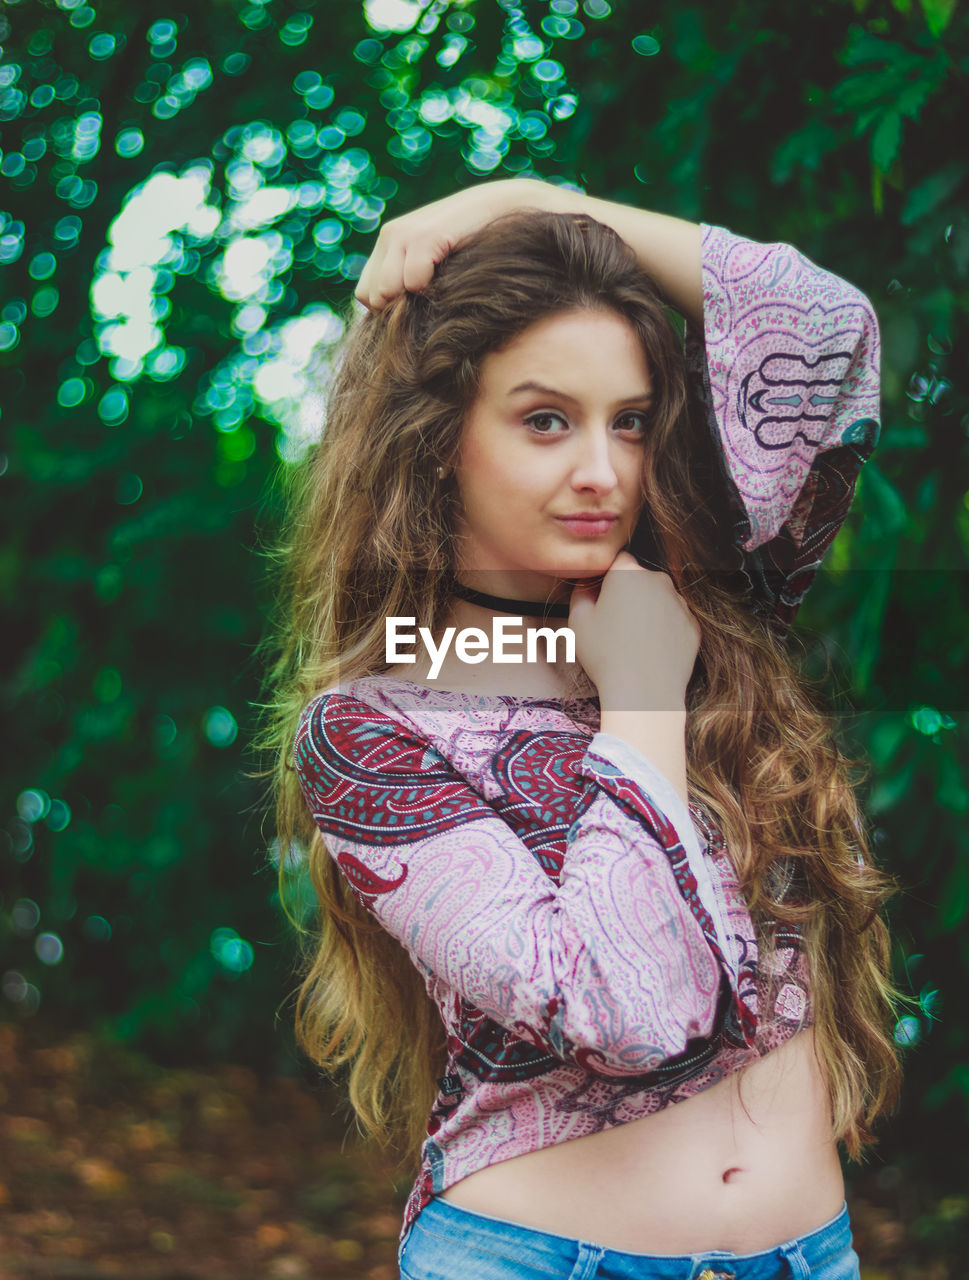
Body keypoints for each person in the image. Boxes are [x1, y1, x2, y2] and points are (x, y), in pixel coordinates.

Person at [265, 178, 904, 1279]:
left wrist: (533, 199)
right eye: (545, 420)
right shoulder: (372, 732)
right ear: (437, 441)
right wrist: (647, 700)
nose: (603, 472)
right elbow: (626, 1009)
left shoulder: (719, 604)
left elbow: (828, 330)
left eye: (632, 421)